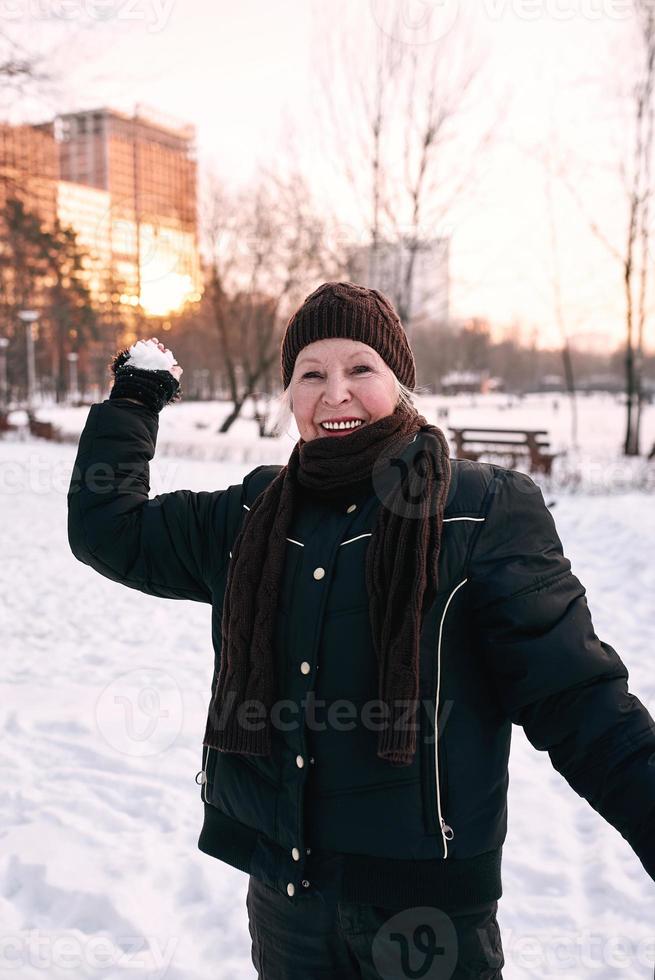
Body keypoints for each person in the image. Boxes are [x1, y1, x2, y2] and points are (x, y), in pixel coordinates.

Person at [67, 281, 655, 980]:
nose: (334, 392)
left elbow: (578, 699)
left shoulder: (480, 512)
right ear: (288, 394)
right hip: (287, 908)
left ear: (399, 384)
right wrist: (134, 403)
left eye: (359, 368)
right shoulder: (249, 515)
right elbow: (110, 530)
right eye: (310, 373)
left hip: (425, 923)